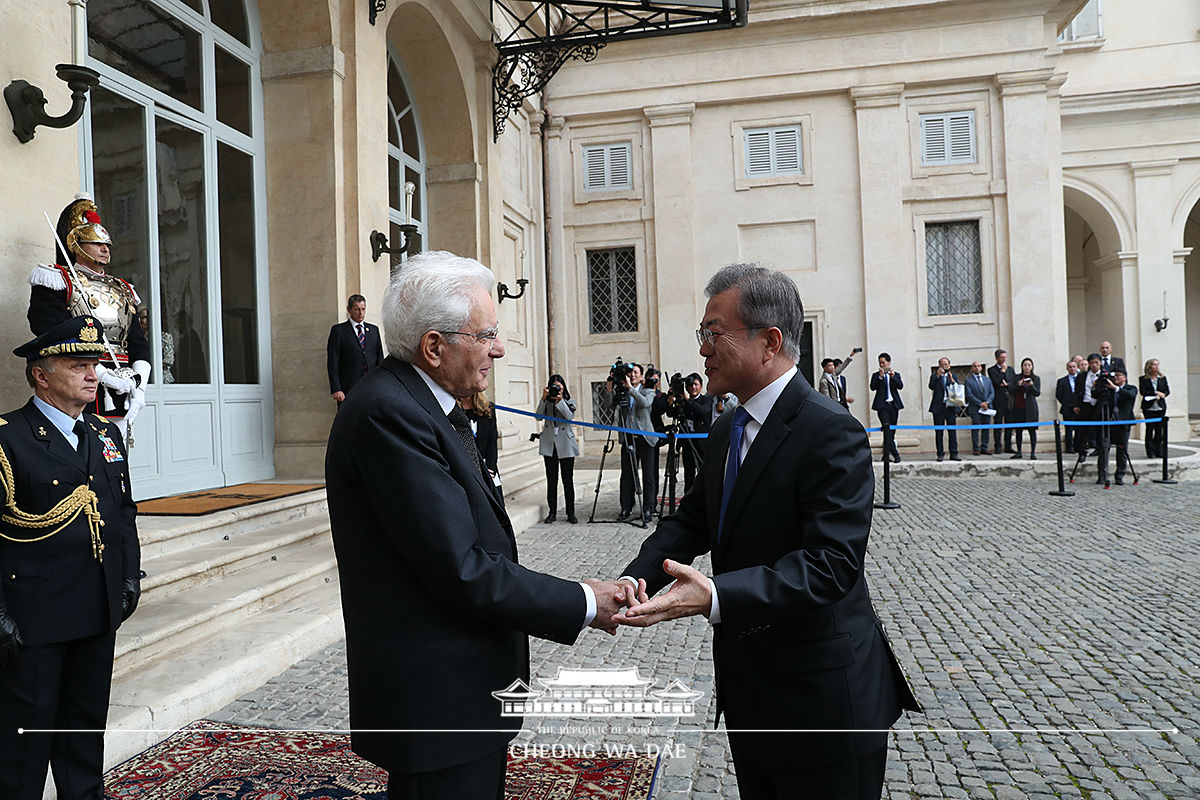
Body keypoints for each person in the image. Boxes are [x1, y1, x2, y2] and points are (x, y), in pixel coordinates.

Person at [609, 263, 920, 800]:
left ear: (769, 341)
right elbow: (693, 520)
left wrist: (716, 595)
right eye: (701, 334)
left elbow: (831, 566)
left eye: (714, 334)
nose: (703, 348)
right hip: (754, 695)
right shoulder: (730, 424)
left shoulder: (831, 430)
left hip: (822, 703)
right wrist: (629, 585)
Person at [324, 251, 624, 799]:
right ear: (434, 347)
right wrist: (584, 600)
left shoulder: (424, 400)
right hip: (438, 701)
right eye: (485, 334)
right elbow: (461, 567)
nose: (500, 348)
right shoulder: (387, 413)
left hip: (459, 694)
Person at [0, 315, 141, 800]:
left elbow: (123, 511)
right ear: (41, 375)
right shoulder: (7, 438)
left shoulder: (106, 434)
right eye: (78, 364)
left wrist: (128, 579)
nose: (92, 374)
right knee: (25, 744)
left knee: (84, 733)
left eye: (94, 364)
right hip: (33, 618)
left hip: (95, 609)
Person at [28, 195, 151, 441]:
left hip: (123, 385)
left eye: (108, 244)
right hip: (78, 378)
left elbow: (137, 342)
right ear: (76, 244)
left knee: (115, 452)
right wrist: (101, 374)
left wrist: (139, 387)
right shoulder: (57, 279)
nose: (105, 249)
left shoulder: (123, 288)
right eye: (97, 243)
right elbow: (48, 329)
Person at [602, 362, 658, 523]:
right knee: (627, 475)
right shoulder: (622, 392)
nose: (633, 375)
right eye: (630, 372)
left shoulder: (648, 390)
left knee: (648, 476)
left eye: (636, 373)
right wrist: (609, 389)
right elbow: (608, 405)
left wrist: (630, 388)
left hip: (645, 439)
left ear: (641, 376)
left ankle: (648, 507)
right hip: (627, 439)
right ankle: (626, 507)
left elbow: (645, 403)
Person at [327, 294, 385, 405]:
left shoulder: (373, 330)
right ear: (349, 309)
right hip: (348, 388)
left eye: (363, 309)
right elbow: (333, 362)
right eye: (357, 309)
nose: (361, 313)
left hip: (371, 386)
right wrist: (336, 388)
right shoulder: (339, 331)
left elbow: (380, 359)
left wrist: (381, 383)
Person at [538, 374, 579, 523]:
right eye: (554, 387)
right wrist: (544, 399)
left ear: (563, 388)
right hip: (550, 444)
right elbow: (537, 417)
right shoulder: (546, 402)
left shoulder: (569, 401)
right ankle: (552, 512)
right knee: (552, 480)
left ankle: (571, 513)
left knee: (567, 480)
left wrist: (560, 400)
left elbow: (569, 417)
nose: (556, 390)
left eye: (559, 387)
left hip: (566, 445)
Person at [666, 373, 712, 493]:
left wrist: (687, 399)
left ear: (701, 386)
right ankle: (688, 499)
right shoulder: (683, 402)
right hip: (687, 444)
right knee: (689, 475)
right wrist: (671, 400)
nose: (693, 388)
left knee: (704, 474)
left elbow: (702, 411)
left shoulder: (706, 400)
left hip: (702, 444)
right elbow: (671, 414)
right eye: (690, 385)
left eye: (696, 385)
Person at [461, 391, 500, 492]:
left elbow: (492, 442)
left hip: (487, 468)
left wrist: (490, 469)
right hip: (465, 471)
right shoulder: (452, 409)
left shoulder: (488, 408)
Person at [870, 352, 904, 462]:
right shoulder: (876, 375)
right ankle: (895, 454)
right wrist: (880, 377)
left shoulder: (896, 374)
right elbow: (872, 387)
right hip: (882, 406)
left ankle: (886, 455)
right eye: (880, 363)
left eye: (883, 363)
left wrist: (893, 377)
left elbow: (900, 386)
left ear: (889, 363)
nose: (882, 365)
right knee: (886, 429)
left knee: (891, 432)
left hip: (893, 405)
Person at [927, 357, 961, 462]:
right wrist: (937, 375)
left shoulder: (953, 376)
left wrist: (952, 380)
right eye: (942, 365)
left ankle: (954, 453)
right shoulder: (935, 376)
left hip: (950, 407)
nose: (944, 366)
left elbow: (958, 389)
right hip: (939, 407)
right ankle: (940, 453)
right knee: (939, 432)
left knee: (952, 431)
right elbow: (931, 386)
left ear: (949, 365)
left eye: (946, 364)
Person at [1109, 371, 1139, 485]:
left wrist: (1116, 388)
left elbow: (1130, 396)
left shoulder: (1131, 388)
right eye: (1114, 376)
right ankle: (1103, 475)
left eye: (1118, 376)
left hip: (1123, 422)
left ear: (1125, 378)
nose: (1116, 377)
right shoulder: (1109, 389)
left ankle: (1120, 475)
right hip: (1110, 422)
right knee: (1104, 448)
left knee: (1122, 450)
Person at [1008, 358, 1041, 460]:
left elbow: (1037, 393)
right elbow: (1011, 390)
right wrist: (1019, 385)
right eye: (1025, 365)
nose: (1027, 367)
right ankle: (1018, 452)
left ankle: (1033, 452)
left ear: (1032, 367)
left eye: (1029, 365)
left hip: (1030, 408)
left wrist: (1031, 385)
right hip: (1019, 407)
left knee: (1032, 431)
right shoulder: (1017, 377)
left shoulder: (1036, 378)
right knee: (1019, 431)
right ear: (1022, 366)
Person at [987, 349, 1017, 454]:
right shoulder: (992, 370)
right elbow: (997, 382)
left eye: (1005, 357)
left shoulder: (1010, 370)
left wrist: (1007, 384)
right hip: (998, 401)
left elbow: (1013, 383)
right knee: (998, 423)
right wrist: (1002, 372)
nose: (1004, 359)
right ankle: (997, 446)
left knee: (1009, 424)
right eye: (1002, 357)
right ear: (997, 358)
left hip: (1009, 400)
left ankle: (1008, 445)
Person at [1139, 359, 1169, 459]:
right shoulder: (1143, 379)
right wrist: (1156, 393)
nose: (1156, 367)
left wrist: (1163, 394)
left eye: (1157, 365)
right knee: (1149, 429)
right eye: (1154, 365)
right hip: (1149, 407)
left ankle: (1159, 450)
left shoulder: (1162, 378)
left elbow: (1166, 391)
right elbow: (1143, 391)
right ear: (1149, 367)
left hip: (1160, 407)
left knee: (1159, 430)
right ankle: (1150, 451)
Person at [964, 360, 994, 455]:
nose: (977, 367)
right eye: (974, 366)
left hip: (987, 408)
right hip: (976, 408)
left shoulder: (987, 380)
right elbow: (969, 394)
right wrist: (980, 403)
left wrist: (987, 402)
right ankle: (976, 448)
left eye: (978, 366)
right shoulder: (968, 381)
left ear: (981, 368)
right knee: (976, 428)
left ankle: (984, 447)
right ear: (972, 368)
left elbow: (992, 392)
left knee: (986, 427)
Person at [1055, 361, 1082, 453]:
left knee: (1079, 429)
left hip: (1080, 408)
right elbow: (1059, 395)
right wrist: (1069, 403)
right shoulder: (1062, 381)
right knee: (1069, 429)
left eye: (1074, 366)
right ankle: (1069, 447)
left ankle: (1078, 446)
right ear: (1067, 368)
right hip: (1067, 408)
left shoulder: (1081, 379)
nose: (1072, 368)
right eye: (1070, 367)